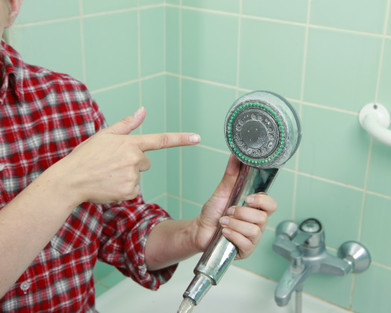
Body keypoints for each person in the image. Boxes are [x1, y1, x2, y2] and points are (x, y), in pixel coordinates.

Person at [0, 0, 277, 312]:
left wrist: (195, 233)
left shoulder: (67, 100)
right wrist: (66, 183)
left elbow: (121, 229)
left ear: (11, 7)